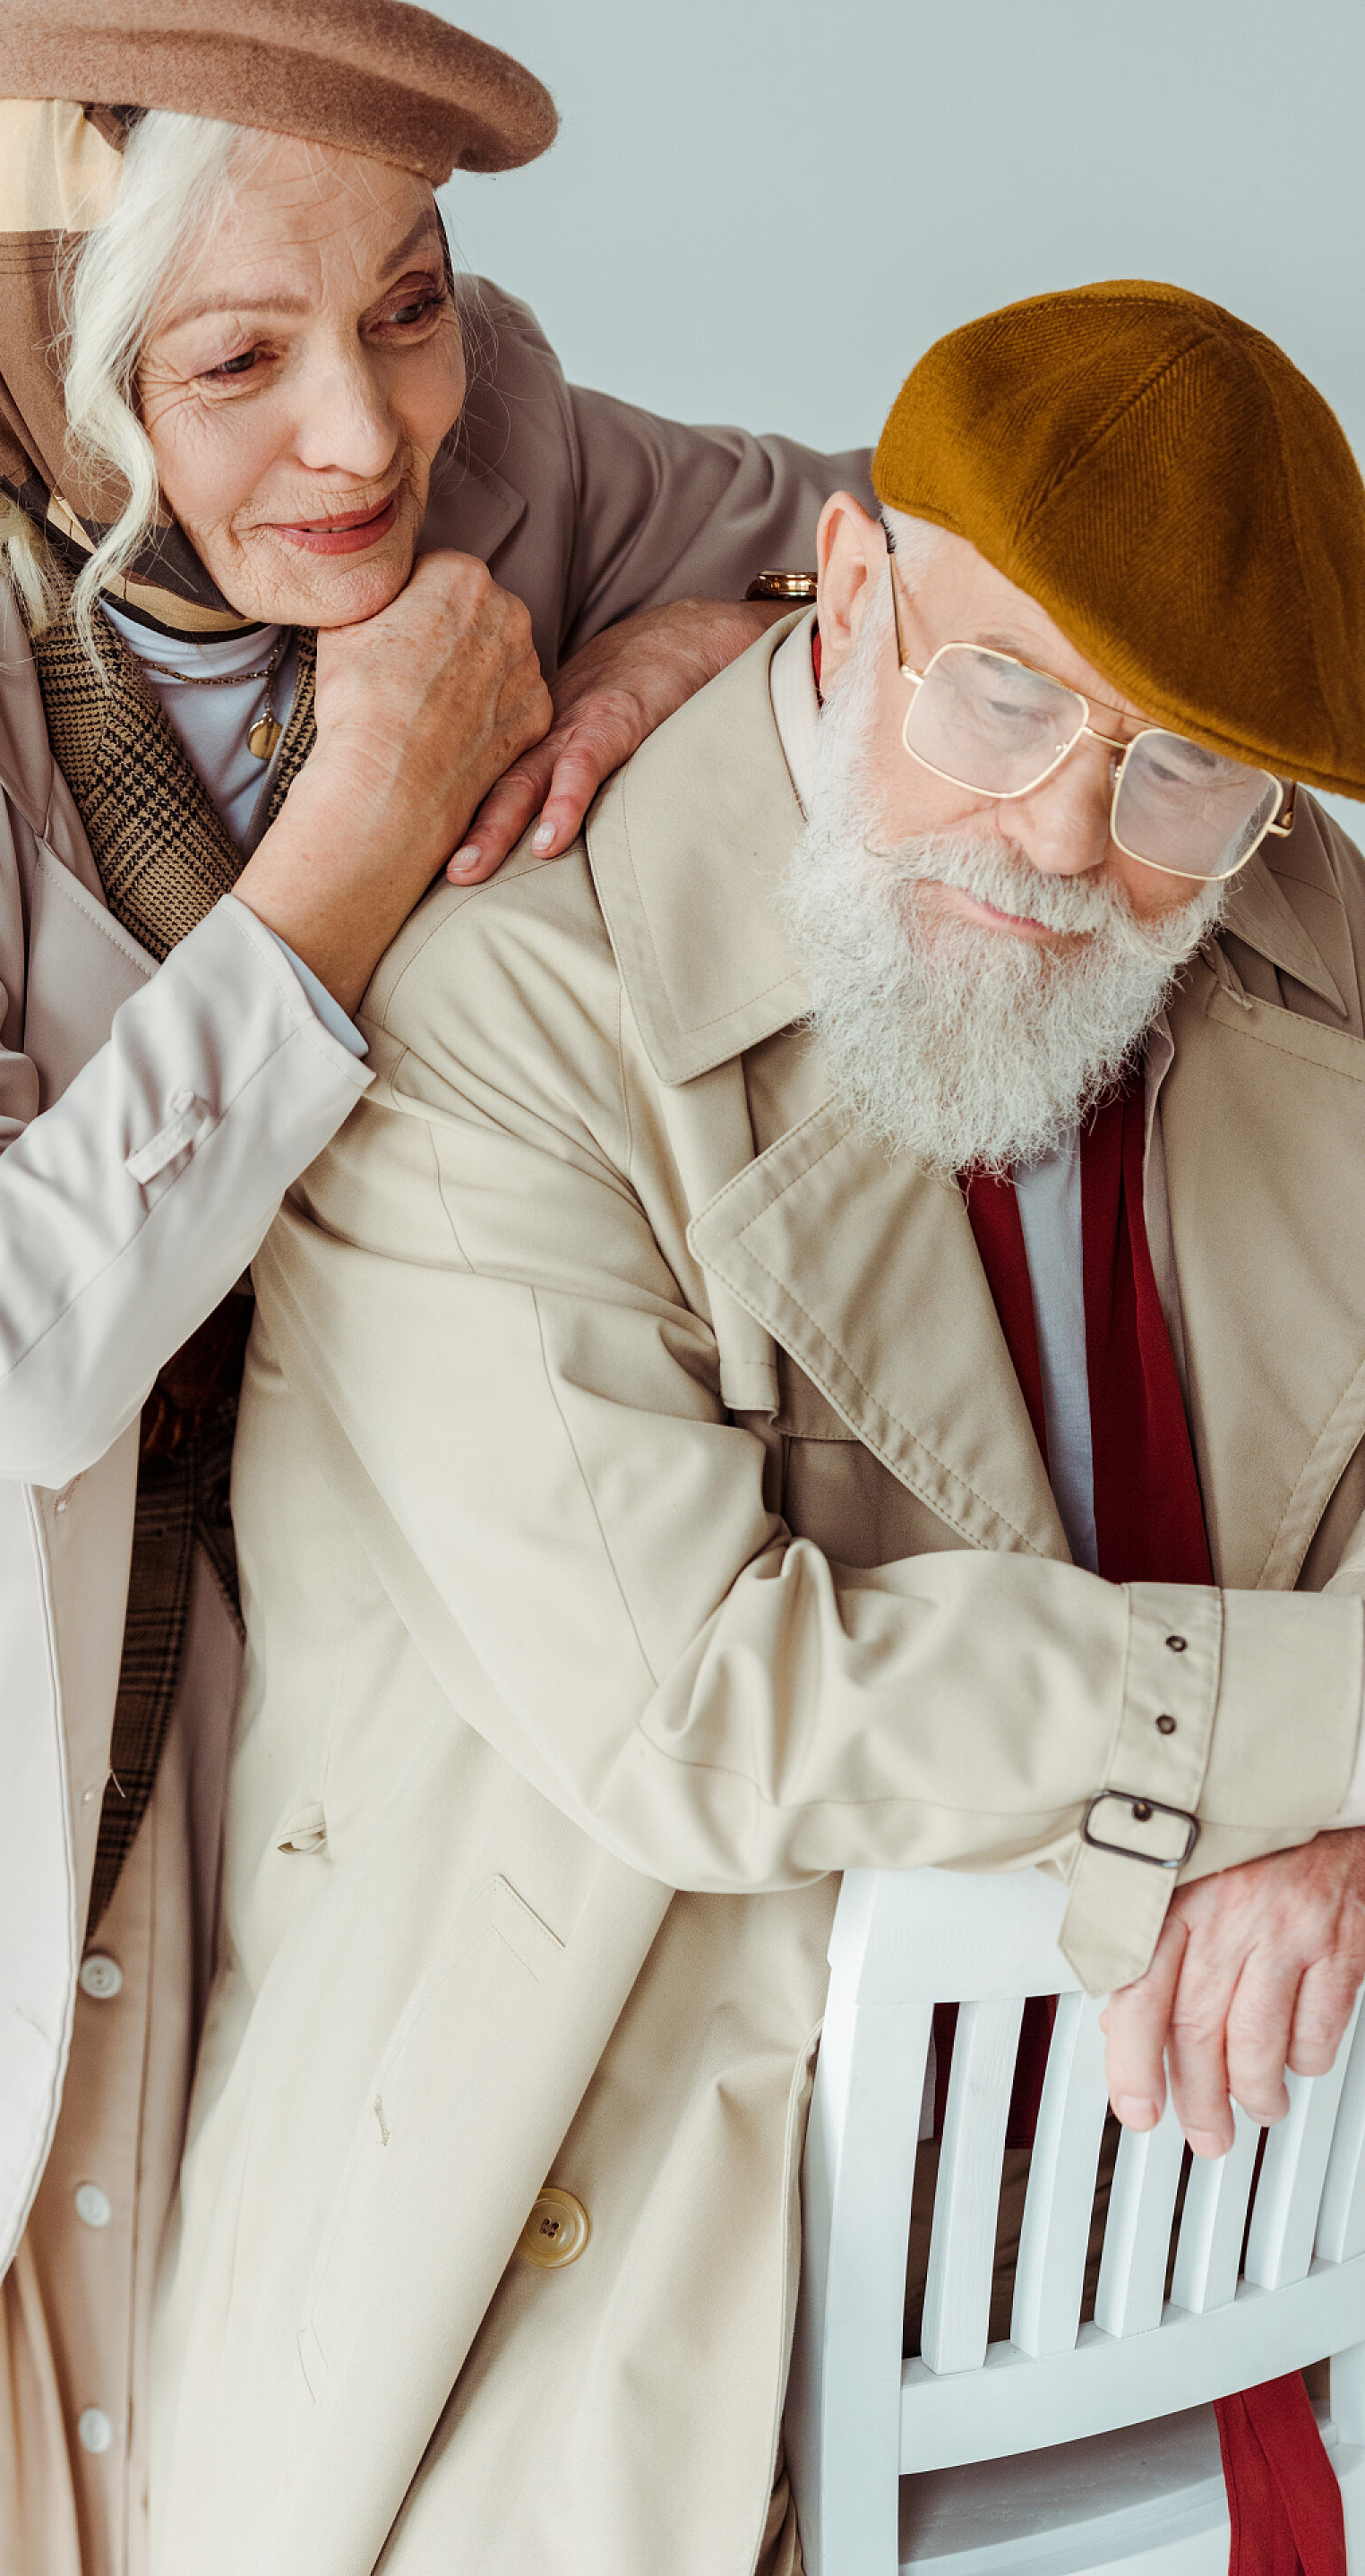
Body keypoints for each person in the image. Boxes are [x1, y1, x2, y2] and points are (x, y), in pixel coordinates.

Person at [0, 3, 876, 2569]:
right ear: (46, 339)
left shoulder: (495, 444)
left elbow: (874, 538)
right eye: (236, 357)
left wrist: (671, 646)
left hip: (234, 1748)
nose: (368, 435)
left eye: (409, 302)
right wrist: (362, 823)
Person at [157, 279, 1365, 2576]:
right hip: (620, 2270)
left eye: (1181, 774)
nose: (1061, 829)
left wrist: (1340, 1828)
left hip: (1214, 2255)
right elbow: (715, 1704)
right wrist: (1339, 1718)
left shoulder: (1286, 922)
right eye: (1004, 692)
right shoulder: (500, 1016)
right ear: (851, 582)